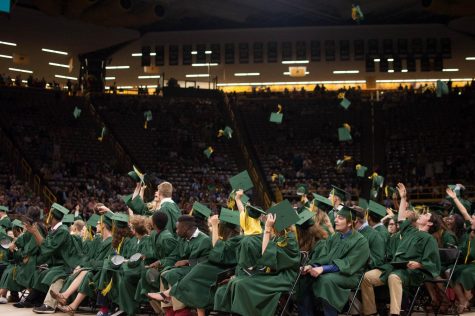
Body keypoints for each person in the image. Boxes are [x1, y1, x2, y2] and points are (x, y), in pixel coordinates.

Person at [361, 183, 441, 316]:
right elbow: (401, 218)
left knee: (394, 277)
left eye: (426, 215)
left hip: (411, 272)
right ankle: (371, 312)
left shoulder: (429, 239)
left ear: (430, 223)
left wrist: (419, 264)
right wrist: (403, 198)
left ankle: (395, 313)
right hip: (394, 267)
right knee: (367, 277)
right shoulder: (410, 231)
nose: (422, 214)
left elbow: (433, 262)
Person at [214, 205, 300, 316]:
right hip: (275, 274)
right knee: (237, 282)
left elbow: (266, 253)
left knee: (242, 284)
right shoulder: (280, 236)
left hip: (284, 278)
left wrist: (268, 229)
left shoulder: (290, 239)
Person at [299, 204, 370, 316]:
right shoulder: (335, 237)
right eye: (336, 217)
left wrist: (323, 269)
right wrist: (312, 266)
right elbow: (324, 256)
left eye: (340, 218)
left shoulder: (361, 241)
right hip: (332, 272)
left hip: (350, 275)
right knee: (304, 278)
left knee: (325, 280)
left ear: (350, 223)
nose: (335, 220)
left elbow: (348, 264)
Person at [167, 211, 242, 316]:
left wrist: (215, 227)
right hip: (219, 269)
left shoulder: (234, 242)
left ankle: (173, 293)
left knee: (198, 274)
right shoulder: (230, 240)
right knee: (198, 273)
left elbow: (216, 256)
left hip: (225, 272)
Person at [148, 215, 212, 316]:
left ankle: (181, 312)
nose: (176, 231)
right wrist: (159, 263)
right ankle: (169, 310)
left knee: (172, 274)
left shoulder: (204, 239)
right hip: (186, 269)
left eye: (177, 228)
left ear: (185, 228)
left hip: (198, 271)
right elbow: (174, 256)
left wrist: (188, 261)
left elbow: (208, 261)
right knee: (164, 273)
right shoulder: (183, 239)